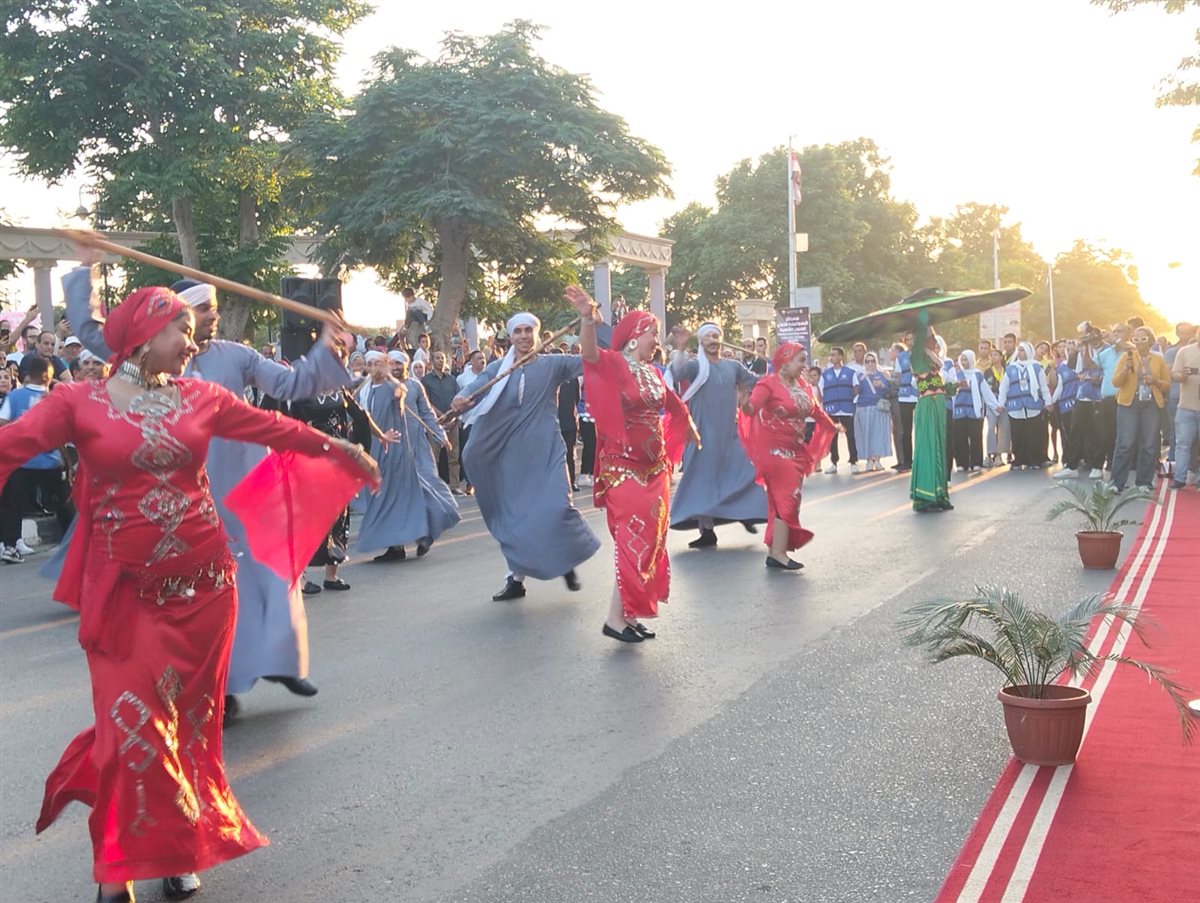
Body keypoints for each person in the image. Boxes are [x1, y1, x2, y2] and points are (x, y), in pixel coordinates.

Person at [0, 284, 376, 903]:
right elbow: (10, 447)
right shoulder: (78, 402)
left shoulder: (202, 396)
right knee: (129, 730)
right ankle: (118, 866)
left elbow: (274, 427)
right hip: (127, 599)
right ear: (144, 336)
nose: (193, 341)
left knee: (188, 732)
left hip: (206, 592)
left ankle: (178, 852)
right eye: (182, 329)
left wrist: (340, 447)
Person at [65, 267, 353, 715]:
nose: (211, 318)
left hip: (247, 481)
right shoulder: (145, 358)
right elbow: (89, 329)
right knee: (206, 593)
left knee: (273, 573)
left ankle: (279, 660)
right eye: (202, 309)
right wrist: (86, 266)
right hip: (184, 490)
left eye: (214, 309)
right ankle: (222, 687)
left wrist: (325, 345)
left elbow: (290, 385)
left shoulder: (235, 355)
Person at [566, 285, 696, 642]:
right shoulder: (614, 365)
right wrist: (586, 319)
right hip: (623, 470)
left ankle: (626, 615)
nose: (657, 340)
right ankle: (616, 620)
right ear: (636, 335)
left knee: (650, 542)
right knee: (633, 541)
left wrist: (690, 428)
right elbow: (589, 354)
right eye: (653, 333)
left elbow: (674, 405)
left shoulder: (654, 373)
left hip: (654, 471)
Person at [450, 313, 599, 601]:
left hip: (547, 449)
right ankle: (515, 579)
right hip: (511, 455)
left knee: (557, 506)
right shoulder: (498, 368)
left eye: (528, 330)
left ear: (537, 334)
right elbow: (474, 388)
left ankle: (564, 560)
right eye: (517, 331)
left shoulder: (553, 364)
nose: (523, 336)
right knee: (515, 517)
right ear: (511, 336)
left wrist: (588, 323)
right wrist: (461, 398)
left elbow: (590, 358)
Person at [667, 323, 766, 547]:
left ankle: (744, 512)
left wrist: (771, 365)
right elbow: (677, 372)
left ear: (721, 340)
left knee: (743, 471)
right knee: (703, 480)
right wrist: (681, 348)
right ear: (701, 342)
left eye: (715, 336)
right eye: (707, 337)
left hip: (729, 430)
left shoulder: (733, 366)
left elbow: (756, 380)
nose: (712, 340)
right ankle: (707, 532)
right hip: (702, 431)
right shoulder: (695, 366)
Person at [356, 351, 460, 562]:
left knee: (419, 488)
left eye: (395, 363)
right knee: (389, 494)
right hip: (383, 448)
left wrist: (439, 435)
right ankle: (397, 545)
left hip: (412, 447)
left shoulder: (407, 386)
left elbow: (426, 413)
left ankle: (427, 531)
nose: (393, 367)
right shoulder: (365, 391)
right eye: (371, 364)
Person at [740, 342, 836, 568]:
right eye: (800, 360)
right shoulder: (768, 384)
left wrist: (832, 426)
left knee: (780, 501)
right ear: (785, 361)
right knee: (788, 499)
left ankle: (774, 551)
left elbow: (815, 411)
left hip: (796, 450)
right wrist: (744, 405)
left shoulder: (801, 385)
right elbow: (752, 409)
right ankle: (781, 553)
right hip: (774, 452)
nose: (805, 366)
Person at [0, 357, 73, 563]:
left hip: (21, 461)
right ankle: (73, 544)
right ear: (48, 375)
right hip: (50, 460)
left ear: (26, 375)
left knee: (13, 505)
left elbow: (3, 423)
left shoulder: (15, 396)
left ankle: (10, 546)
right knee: (63, 503)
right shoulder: (54, 398)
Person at [1110, 326, 1172, 491]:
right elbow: (1115, 382)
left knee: (1149, 444)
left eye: (1142, 339)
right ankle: (1116, 483)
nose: (1139, 342)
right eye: (1135, 339)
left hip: (1151, 405)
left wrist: (1155, 381)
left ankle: (1144, 482)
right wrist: (1126, 368)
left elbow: (1167, 384)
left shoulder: (1158, 359)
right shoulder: (1126, 356)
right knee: (1125, 443)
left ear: (1150, 340)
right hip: (1128, 405)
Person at [910, 313, 954, 512]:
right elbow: (918, 340)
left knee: (938, 450)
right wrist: (923, 318)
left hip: (938, 407)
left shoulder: (934, 362)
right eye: (930, 338)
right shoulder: (917, 357)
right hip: (927, 407)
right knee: (928, 449)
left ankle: (939, 495)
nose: (933, 341)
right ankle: (925, 497)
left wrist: (955, 386)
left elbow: (939, 386)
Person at [998, 341, 1051, 470]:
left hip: (1033, 406)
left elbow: (1043, 387)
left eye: (1023, 350)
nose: (1020, 353)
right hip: (1015, 407)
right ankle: (1018, 460)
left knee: (1033, 434)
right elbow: (1004, 387)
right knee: (1017, 434)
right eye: (1019, 350)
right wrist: (1000, 403)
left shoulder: (1037, 367)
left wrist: (1048, 402)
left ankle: (1034, 460)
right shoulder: (1011, 368)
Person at [950, 350, 998, 473]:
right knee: (959, 438)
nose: (963, 362)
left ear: (971, 360)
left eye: (966, 360)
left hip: (974, 411)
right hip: (959, 411)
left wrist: (995, 406)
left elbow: (986, 392)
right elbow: (951, 391)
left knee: (975, 437)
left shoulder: (977, 375)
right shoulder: (956, 374)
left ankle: (976, 462)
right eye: (962, 360)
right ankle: (961, 463)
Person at [422, 350, 462, 490]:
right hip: (435, 423)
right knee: (434, 457)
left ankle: (455, 486)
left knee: (454, 456)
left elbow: (458, 399)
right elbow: (426, 401)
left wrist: (452, 416)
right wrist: (440, 416)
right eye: (437, 358)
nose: (440, 360)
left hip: (452, 422)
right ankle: (435, 487)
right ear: (432, 361)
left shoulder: (452, 379)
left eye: (442, 358)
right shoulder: (426, 380)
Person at [820, 346, 859, 473]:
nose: (832, 357)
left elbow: (856, 388)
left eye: (834, 355)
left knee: (850, 436)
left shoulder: (850, 372)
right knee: (832, 437)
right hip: (832, 409)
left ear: (841, 357)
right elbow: (820, 392)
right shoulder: (825, 374)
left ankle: (853, 462)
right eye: (831, 355)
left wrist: (848, 397)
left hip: (846, 408)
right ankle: (834, 463)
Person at [851, 352, 893, 471]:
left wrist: (882, 386)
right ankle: (869, 460)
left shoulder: (882, 374)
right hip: (863, 407)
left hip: (878, 407)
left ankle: (878, 460)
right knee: (866, 434)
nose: (870, 364)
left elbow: (888, 391)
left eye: (872, 361)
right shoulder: (859, 375)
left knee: (879, 434)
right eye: (867, 361)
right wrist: (863, 378)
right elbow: (855, 391)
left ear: (876, 362)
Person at [1169, 331, 1200, 490]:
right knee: (1182, 445)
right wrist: (1182, 376)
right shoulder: (1185, 351)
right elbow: (1174, 374)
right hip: (1186, 406)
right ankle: (1179, 478)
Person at [981, 348, 1011, 467]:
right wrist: (994, 404)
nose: (993, 357)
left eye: (995, 355)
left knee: (1003, 428)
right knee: (991, 427)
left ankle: (999, 455)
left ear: (1000, 357)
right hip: (991, 400)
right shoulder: (987, 372)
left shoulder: (1007, 371)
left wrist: (1002, 403)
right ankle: (989, 454)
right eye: (991, 355)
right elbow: (986, 390)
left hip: (1004, 401)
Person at [890, 341, 917, 472]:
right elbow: (897, 376)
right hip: (904, 396)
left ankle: (922, 459)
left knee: (921, 431)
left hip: (920, 396)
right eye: (909, 339)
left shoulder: (923, 354)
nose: (911, 341)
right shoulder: (901, 357)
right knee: (906, 431)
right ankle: (907, 461)